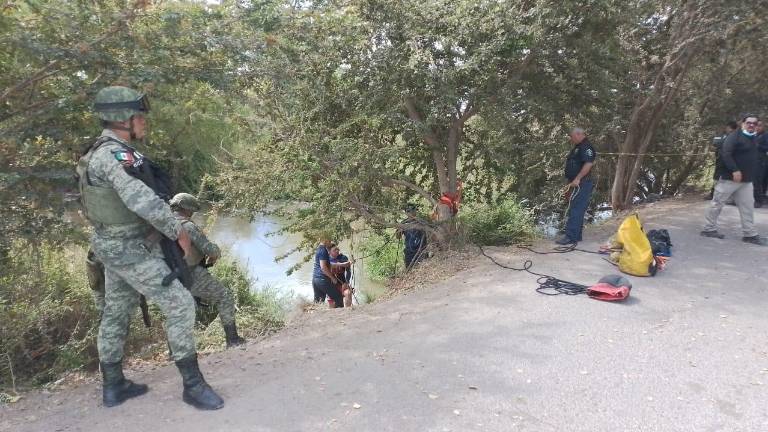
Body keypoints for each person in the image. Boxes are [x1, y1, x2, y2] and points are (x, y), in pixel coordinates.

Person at [76, 86, 224, 410]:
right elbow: (139, 198)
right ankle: (193, 386)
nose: (144, 122)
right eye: (139, 116)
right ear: (123, 118)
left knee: (116, 312)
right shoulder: (112, 155)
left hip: (111, 247)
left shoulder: (99, 151)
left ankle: (114, 385)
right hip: (129, 248)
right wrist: (177, 231)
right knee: (182, 304)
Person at [169, 193, 245, 348]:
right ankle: (233, 340)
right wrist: (216, 253)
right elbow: (210, 250)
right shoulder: (187, 226)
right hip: (190, 273)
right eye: (192, 211)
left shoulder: (162, 224)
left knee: (177, 311)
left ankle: (174, 351)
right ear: (187, 209)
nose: (192, 214)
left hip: (167, 276)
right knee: (225, 297)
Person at [702, 114, 767, 245]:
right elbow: (726, 153)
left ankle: (749, 234)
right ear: (743, 123)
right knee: (717, 203)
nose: (752, 125)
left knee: (748, 207)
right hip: (729, 178)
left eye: (755, 123)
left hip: (746, 181)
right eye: (749, 122)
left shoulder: (754, 138)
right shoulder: (734, 136)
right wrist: (734, 170)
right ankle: (709, 229)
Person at [557, 127, 596, 245]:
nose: (571, 139)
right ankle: (576, 235)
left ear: (579, 135)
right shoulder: (578, 147)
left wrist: (578, 178)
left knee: (576, 209)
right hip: (575, 182)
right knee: (575, 207)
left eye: (573, 137)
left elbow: (588, 164)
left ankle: (570, 237)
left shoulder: (586, 147)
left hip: (582, 182)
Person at [311, 235, 344, 308]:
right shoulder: (323, 250)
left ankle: (315, 317)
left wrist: (343, 264)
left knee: (318, 301)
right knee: (338, 297)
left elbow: (326, 265)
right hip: (322, 279)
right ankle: (341, 317)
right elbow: (323, 267)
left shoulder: (319, 249)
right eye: (329, 240)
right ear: (325, 240)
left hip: (315, 279)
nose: (330, 242)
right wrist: (332, 278)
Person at [710, 121, 739, 200]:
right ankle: (712, 194)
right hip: (720, 160)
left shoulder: (737, 137)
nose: (729, 130)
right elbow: (715, 143)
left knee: (730, 178)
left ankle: (730, 197)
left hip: (731, 161)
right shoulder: (722, 136)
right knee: (716, 178)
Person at [397, 204, 427, 269]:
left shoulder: (421, 221)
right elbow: (398, 237)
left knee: (422, 270)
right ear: (406, 213)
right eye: (409, 211)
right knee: (410, 271)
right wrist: (399, 230)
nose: (412, 213)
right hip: (409, 252)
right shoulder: (403, 223)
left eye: (413, 211)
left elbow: (429, 233)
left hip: (421, 250)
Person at [754, 121, 768, 207]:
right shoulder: (755, 135)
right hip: (753, 161)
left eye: (760, 126)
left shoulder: (766, 135)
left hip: (762, 161)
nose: (757, 127)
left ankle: (759, 201)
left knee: (758, 180)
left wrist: (758, 146)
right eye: (756, 126)